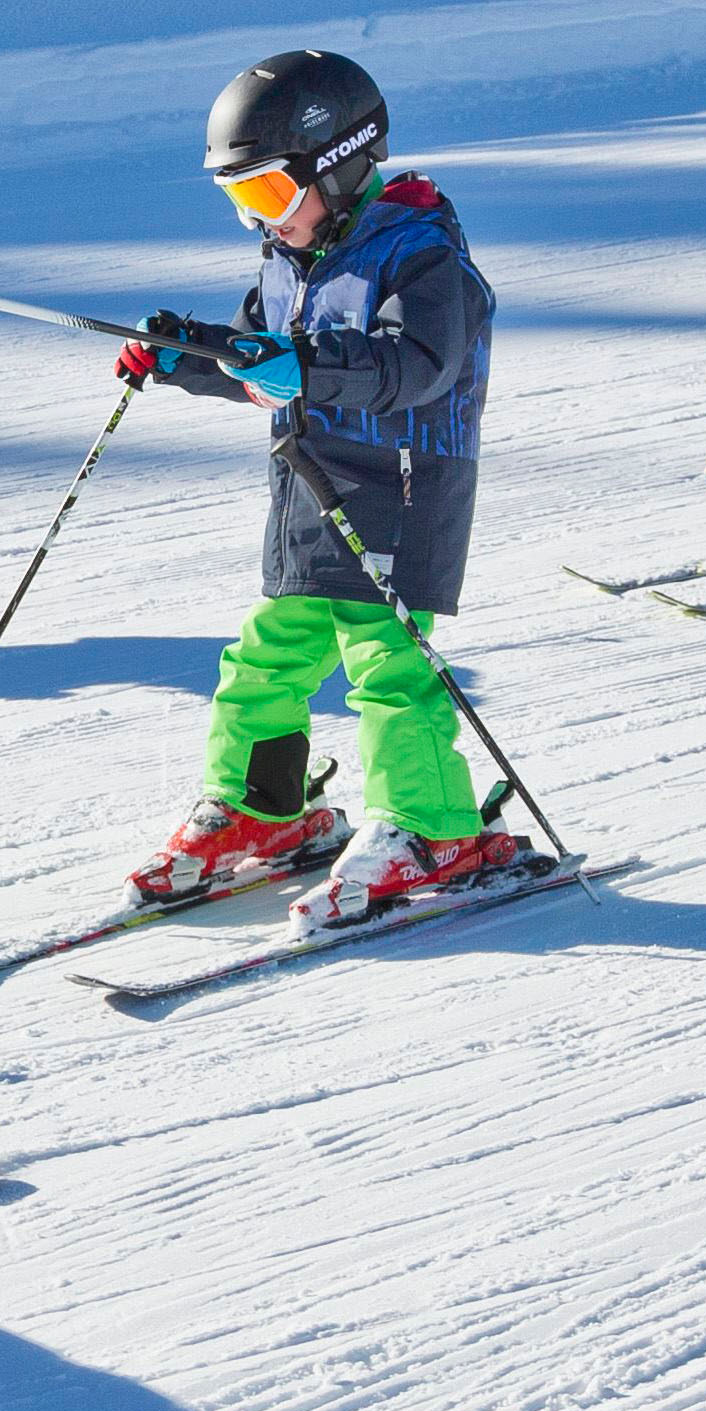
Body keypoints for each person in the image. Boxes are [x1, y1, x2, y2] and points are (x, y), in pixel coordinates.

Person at [113, 51, 508, 934]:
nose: (259, 219)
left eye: (266, 194)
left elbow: (413, 366)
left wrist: (305, 366)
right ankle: (262, 806)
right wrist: (188, 356)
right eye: (240, 202)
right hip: (309, 481)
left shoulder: (423, 253)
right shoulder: (291, 256)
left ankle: (436, 828)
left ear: (338, 165)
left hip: (401, 483)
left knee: (387, 667)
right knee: (265, 656)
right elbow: (261, 365)